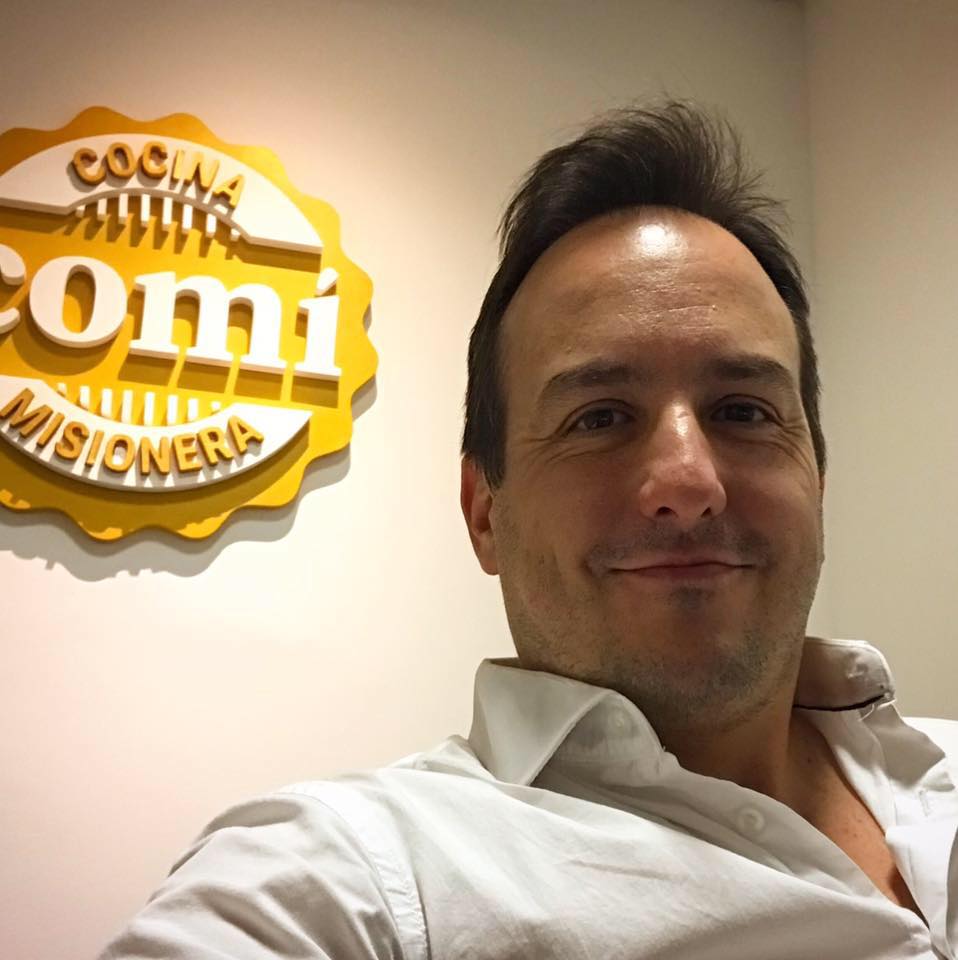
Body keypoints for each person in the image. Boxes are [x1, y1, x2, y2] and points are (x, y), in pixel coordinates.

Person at [100, 102, 958, 960]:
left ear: (818, 480)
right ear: (484, 513)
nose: (689, 482)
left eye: (743, 410)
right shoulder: (352, 880)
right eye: (599, 417)